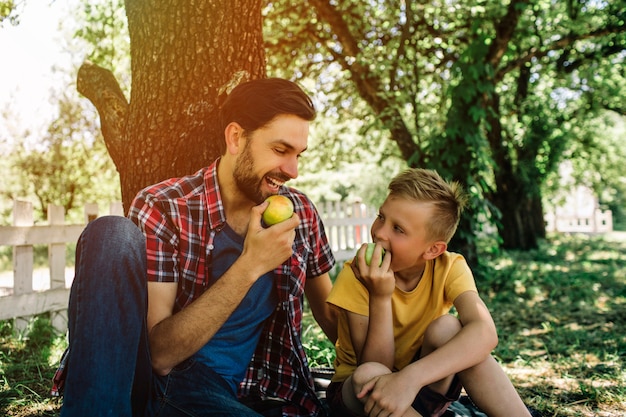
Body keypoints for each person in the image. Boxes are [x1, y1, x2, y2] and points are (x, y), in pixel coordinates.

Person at [55, 78, 338, 417]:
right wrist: (250, 265)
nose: (292, 170)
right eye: (280, 150)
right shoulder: (165, 206)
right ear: (235, 138)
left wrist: (398, 361)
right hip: (152, 379)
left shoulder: (300, 214)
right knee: (110, 233)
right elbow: (160, 355)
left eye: (298, 155)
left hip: (227, 394)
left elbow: (331, 318)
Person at [325, 168, 532, 417]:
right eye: (381, 217)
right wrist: (379, 297)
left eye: (398, 229)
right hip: (361, 398)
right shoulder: (358, 274)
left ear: (433, 250)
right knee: (368, 375)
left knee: (449, 328)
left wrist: (410, 378)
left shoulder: (449, 266)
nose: (379, 232)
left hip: (421, 387)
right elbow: (377, 365)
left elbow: (485, 333)